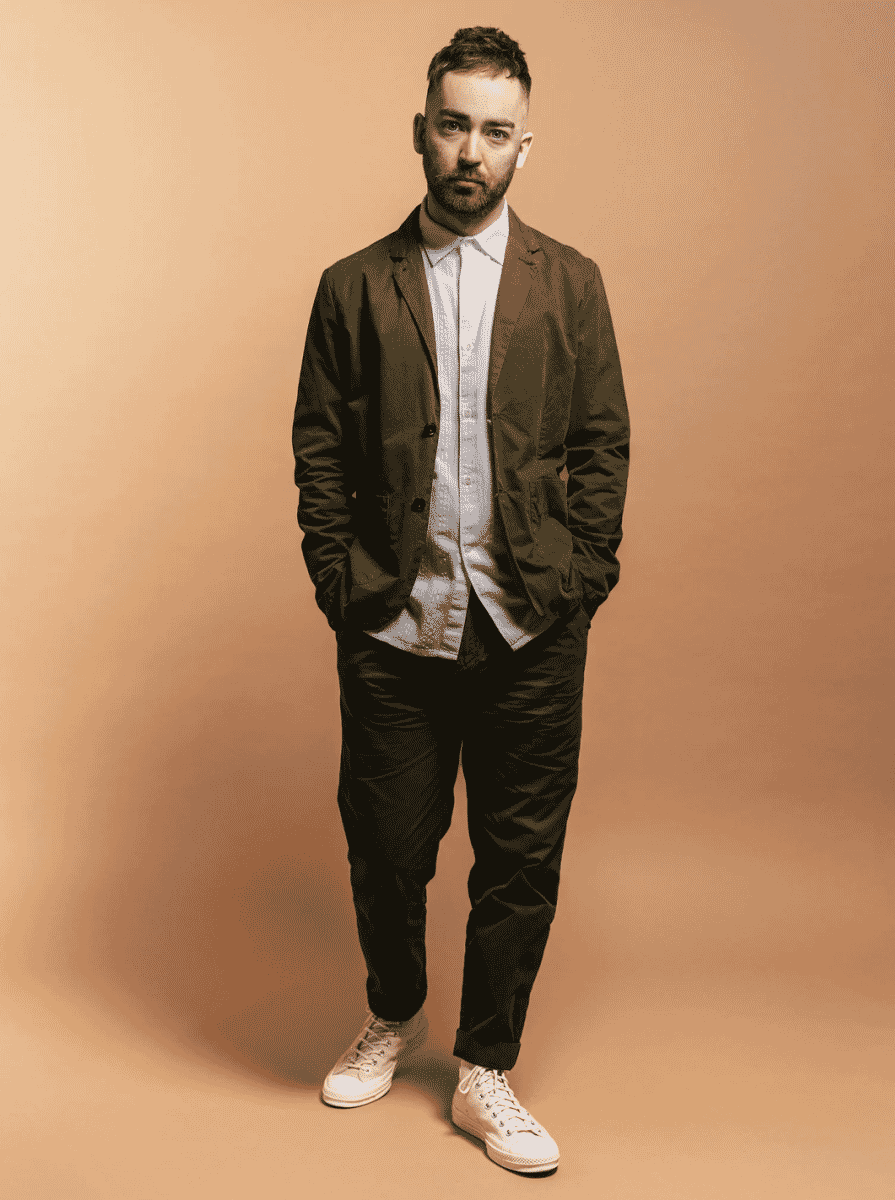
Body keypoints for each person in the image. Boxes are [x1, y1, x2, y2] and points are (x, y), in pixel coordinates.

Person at [292, 26, 629, 1176]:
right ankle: (395, 1010)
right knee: (386, 845)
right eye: (452, 125)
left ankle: (486, 1065)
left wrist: (582, 579)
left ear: (522, 147)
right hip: (392, 621)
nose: (469, 151)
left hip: (533, 624)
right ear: (421, 130)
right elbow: (320, 448)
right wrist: (340, 584)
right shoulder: (350, 288)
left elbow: (601, 444)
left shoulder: (570, 286)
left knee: (519, 856)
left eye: (494, 131)